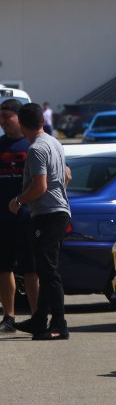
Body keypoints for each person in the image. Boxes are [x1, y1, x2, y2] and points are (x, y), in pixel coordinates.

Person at [9, 103, 70, 340]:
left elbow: (40, 186)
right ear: (43, 121)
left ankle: (58, 324)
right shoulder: (54, 142)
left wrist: (19, 200)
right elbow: (66, 174)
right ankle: (39, 320)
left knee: (49, 270)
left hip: (48, 214)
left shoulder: (36, 149)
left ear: (22, 126)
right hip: (58, 211)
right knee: (46, 269)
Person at [0, 99, 39, 334]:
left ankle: (37, 315)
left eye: (7, 116)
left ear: (19, 118)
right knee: (3, 268)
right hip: (3, 219)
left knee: (31, 269)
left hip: (28, 217)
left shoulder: (32, 145)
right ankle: (9, 317)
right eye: (0, 117)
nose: (3, 121)